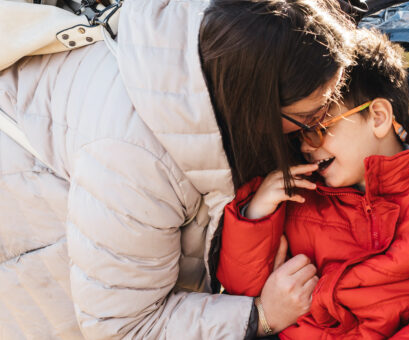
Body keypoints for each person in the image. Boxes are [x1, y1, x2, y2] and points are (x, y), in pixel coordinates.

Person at [0, 0, 355, 339]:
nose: (321, 126)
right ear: (255, 107)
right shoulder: (135, 164)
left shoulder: (209, 34)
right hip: (29, 225)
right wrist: (262, 314)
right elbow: (123, 326)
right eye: (311, 117)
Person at [217, 29, 409, 339]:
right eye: (298, 135)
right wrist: (256, 215)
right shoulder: (300, 192)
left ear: (377, 117)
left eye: (318, 129)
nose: (306, 146)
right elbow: (242, 292)